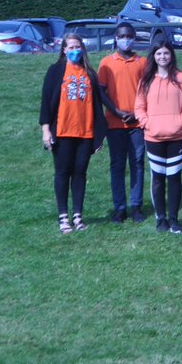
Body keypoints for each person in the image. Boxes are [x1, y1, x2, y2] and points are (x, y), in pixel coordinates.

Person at [41, 34, 108, 233]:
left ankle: (78, 216)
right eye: (71, 46)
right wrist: (46, 130)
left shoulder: (89, 73)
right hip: (62, 131)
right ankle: (63, 217)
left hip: (85, 132)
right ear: (64, 49)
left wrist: (98, 135)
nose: (75, 50)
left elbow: (97, 103)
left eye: (78, 46)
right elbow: (46, 101)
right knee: (62, 173)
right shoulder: (55, 71)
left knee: (80, 174)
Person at [135, 42, 182, 234]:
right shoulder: (145, 80)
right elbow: (139, 107)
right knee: (158, 178)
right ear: (153, 56)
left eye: (166, 53)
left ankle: (174, 219)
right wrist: (148, 124)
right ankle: (161, 219)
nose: (162, 57)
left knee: (174, 177)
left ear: (171, 55)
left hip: (178, 136)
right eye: (159, 53)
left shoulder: (181, 78)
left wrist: (180, 122)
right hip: (153, 137)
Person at [97, 22, 146, 223]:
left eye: (129, 36)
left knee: (137, 163)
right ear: (116, 38)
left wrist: (136, 112)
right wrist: (115, 111)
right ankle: (119, 207)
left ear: (134, 37)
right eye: (121, 36)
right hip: (114, 123)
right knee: (117, 165)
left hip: (137, 123)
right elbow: (101, 91)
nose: (125, 39)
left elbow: (148, 90)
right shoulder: (106, 62)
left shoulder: (143, 62)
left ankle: (136, 206)